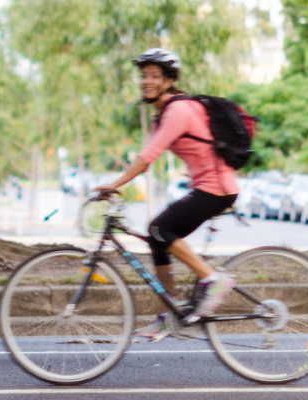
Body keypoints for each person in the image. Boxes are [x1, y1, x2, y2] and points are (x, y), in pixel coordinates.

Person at [93, 48, 238, 340]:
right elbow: (148, 154)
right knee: (157, 240)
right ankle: (168, 315)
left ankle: (213, 280)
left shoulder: (178, 110)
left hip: (218, 188)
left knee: (159, 229)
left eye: (154, 76)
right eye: (144, 75)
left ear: (169, 80)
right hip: (206, 186)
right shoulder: (163, 115)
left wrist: (115, 184)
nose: (146, 81)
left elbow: (147, 158)